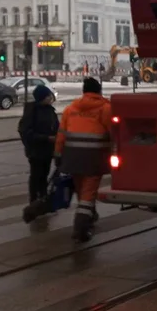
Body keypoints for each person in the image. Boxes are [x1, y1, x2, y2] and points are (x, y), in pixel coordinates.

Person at [55, 78, 112, 242]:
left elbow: (61, 135)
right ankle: (80, 228)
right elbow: (114, 132)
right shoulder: (105, 109)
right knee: (88, 192)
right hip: (94, 157)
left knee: (81, 189)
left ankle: (90, 214)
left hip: (72, 157)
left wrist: (58, 155)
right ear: (99, 91)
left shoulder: (70, 109)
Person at [20, 85, 59, 222]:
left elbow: (57, 127)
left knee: (44, 176)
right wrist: (46, 138)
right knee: (36, 176)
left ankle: (42, 203)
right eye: (48, 95)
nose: (50, 97)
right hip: (36, 150)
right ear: (42, 97)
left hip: (48, 150)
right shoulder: (32, 111)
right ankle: (34, 201)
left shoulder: (50, 111)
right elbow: (26, 132)